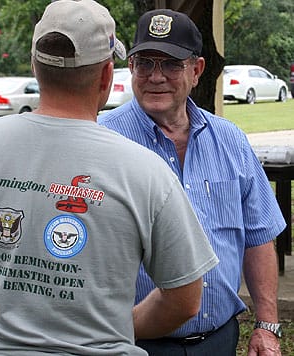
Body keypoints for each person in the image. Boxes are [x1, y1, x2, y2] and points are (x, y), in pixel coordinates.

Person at [0, 2, 219, 355]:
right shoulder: (146, 171)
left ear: (36, 68)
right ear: (106, 75)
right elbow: (186, 299)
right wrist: (116, 327)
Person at [98, 8, 286, 356]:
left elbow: (259, 237)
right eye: (145, 63)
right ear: (131, 69)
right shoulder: (102, 140)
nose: (156, 77)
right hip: (131, 345)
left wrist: (267, 325)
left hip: (219, 341)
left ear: (197, 70)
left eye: (170, 64)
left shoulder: (230, 140)